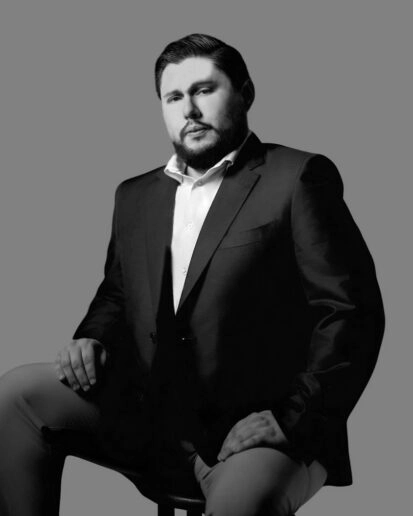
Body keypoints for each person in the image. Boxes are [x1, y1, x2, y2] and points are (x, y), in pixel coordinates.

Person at [0, 33, 385, 516]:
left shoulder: (298, 177)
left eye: (204, 90)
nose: (190, 110)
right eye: (174, 97)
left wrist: (293, 418)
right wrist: (90, 338)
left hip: (256, 428)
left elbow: (350, 313)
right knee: (16, 394)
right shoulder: (134, 196)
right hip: (148, 417)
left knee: (242, 503)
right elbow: (118, 294)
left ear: (245, 93)